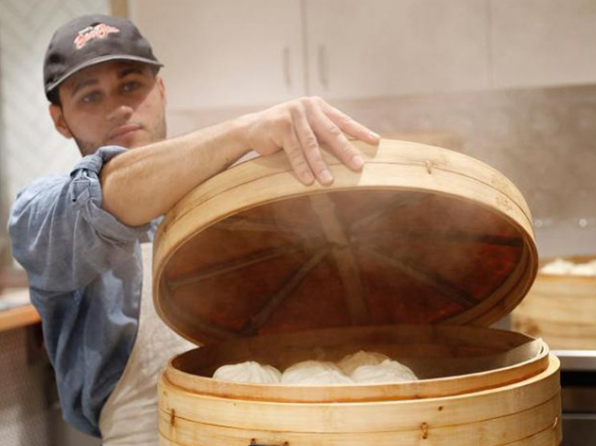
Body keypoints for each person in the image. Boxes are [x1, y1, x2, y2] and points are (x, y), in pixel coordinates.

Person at [7, 14, 379, 445]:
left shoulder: (221, 197)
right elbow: (108, 194)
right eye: (90, 96)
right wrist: (245, 131)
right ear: (60, 120)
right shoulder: (40, 214)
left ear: (161, 90)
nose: (118, 107)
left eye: (130, 85)